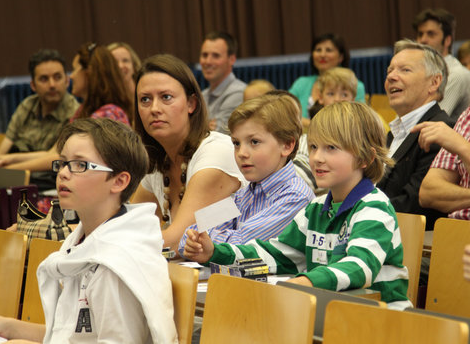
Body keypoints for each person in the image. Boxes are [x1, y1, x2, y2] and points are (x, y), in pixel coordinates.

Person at [184, 102, 411, 310]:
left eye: (331, 148)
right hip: (331, 313)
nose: (317, 158)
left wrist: (306, 280)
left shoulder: (369, 207)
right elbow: (273, 252)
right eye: (313, 147)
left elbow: (359, 267)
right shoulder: (244, 193)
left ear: (365, 158)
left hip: (382, 321)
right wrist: (214, 250)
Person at [0, 117, 178, 343]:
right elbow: (69, 336)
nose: (63, 173)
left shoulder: (116, 264)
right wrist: (7, 327)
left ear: (118, 182)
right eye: (62, 162)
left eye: (79, 165)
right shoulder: (82, 241)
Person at [132, 54, 245, 251]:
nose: (154, 108)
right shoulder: (158, 163)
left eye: (166, 97)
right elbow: (129, 227)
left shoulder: (215, 153)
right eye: (145, 100)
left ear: (191, 104)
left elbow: (178, 242)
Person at [178, 95, 313, 254]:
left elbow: (240, 245)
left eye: (254, 142)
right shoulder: (243, 194)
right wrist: (199, 241)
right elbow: (188, 234)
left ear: (287, 145)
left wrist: (206, 241)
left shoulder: (296, 197)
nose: (241, 153)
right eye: (236, 143)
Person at [0, 42, 133, 173]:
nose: (72, 77)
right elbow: (54, 152)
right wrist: (10, 159)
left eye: (76, 70)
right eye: (44, 79)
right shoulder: (83, 110)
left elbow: (62, 157)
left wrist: (10, 169)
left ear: (89, 74)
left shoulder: (109, 114)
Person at [376, 39, 454, 230]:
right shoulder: (394, 132)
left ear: (434, 82)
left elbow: (414, 203)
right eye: (389, 71)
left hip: (415, 243)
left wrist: (360, 213)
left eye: (405, 70)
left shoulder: (442, 131)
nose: (391, 77)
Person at [0, 49, 79, 165]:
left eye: (57, 77)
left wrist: (10, 165)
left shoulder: (75, 112)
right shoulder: (27, 105)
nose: (52, 85)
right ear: (33, 85)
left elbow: (56, 156)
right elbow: (7, 142)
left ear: (67, 81)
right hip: (16, 171)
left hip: (47, 177)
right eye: (44, 79)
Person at [288, 33, 366, 123]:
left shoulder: (356, 85)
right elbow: (285, 112)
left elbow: (360, 120)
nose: (322, 55)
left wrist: (311, 125)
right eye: (318, 50)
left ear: (341, 57)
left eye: (328, 50)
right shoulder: (301, 83)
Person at [413, 8, 470, 120]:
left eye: (431, 34)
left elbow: (432, 120)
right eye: (420, 34)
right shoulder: (422, 73)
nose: (423, 40)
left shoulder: (456, 74)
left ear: (447, 40)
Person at [416, 107, 470, 220]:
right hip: (455, 229)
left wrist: (463, 148)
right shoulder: (467, 116)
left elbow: (461, 146)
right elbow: (428, 193)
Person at [200, 31, 246, 133]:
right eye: (204, 55)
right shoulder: (202, 95)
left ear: (231, 59)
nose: (208, 61)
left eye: (215, 56)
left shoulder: (240, 93)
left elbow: (218, 136)